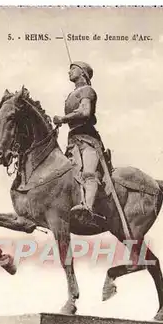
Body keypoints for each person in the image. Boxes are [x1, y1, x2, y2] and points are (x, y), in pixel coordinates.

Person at [53, 61, 106, 220]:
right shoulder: (70, 96)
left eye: (73, 69)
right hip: (73, 140)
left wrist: (63, 119)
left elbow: (85, 111)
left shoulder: (87, 90)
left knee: (89, 173)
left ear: (83, 72)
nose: (69, 72)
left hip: (88, 140)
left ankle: (88, 208)